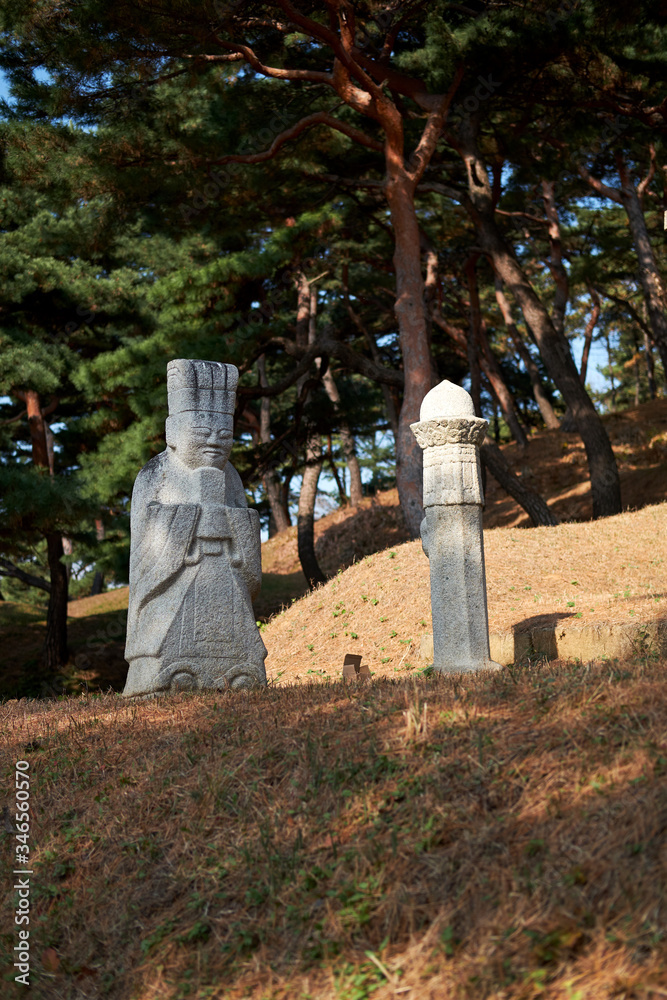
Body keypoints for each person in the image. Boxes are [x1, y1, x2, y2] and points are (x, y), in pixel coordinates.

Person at [123, 358, 267, 696]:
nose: (215, 442)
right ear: (172, 432)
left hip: (224, 575)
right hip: (177, 577)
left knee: (236, 640)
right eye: (202, 433)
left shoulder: (231, 476)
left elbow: (245, 523)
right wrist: (189, 521)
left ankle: (239, 669)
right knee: (169, 637)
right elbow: (148, 539)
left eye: (225, 435)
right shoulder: (154, 473)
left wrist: (236, 522)